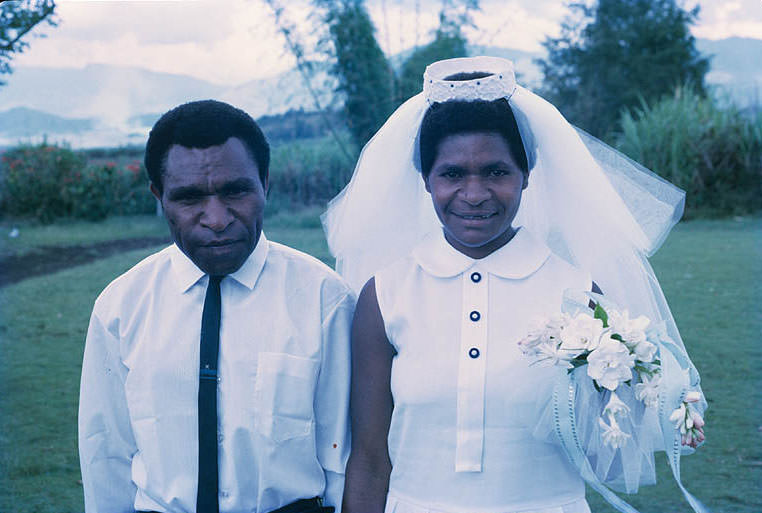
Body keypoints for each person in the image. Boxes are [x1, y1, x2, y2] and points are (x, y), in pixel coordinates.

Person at [322, 57, 709, 513]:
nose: (474, 193)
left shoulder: (579, 294)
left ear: (526, 175)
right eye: (451, 174)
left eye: (496, 172)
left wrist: (647, 395)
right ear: (425, 180)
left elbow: (607, 457)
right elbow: (368, 460)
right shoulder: (385, 295)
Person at [78, 100, 354, 513]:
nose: (217, 218)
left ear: (265, 183)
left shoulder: (324, 300)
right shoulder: (120, 308)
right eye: (189, 198)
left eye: (235, 191)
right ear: (159, 196)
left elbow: (342, 460)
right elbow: (107, 457)